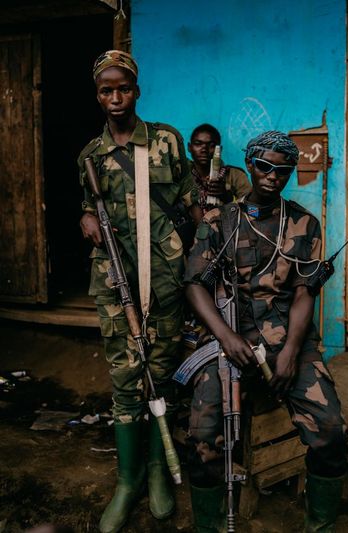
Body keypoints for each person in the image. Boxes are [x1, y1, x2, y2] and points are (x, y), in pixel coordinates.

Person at [183, 131, 348, 532]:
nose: (274, 175)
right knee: (203, 439)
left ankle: (319, 524)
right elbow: (194, 285)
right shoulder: (220, 221)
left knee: (331, 430)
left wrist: (292, 350)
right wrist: (225, 336)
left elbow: (306, 292)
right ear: (251, 165)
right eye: (265, 166)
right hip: (228, 340)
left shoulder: (304, 223)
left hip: (285, 338)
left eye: (283, 169)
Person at [78, 50, 199, 533]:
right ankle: (127, 480)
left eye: (122, 88)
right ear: (98, 95)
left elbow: (192, 205)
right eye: (106, 90)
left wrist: (204, 262)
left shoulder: (167, 141)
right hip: (114, 283)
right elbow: (90, 207)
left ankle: (156, 474)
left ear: (137, 90)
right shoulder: (90, 155)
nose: (115, 97)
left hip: (166, 280)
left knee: (162, 375)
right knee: (125, 379)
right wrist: (84, 217)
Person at [188, 123, 251, 214]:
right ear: (189, 147)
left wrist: (228, 198)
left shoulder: (235, 175)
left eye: (211, 145)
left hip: (227, 227)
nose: (204, 149)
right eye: (198, 144)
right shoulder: (182, 175)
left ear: (219, 150)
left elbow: (254, 211)